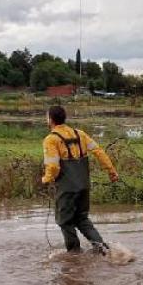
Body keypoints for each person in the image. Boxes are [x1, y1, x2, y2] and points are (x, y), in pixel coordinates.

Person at [42, 105, 119, 255]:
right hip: (84, 185)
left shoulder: (51, 140)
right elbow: (99, 152)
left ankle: (74, 256)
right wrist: (111, 171)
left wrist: (46, 179)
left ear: (50, 120)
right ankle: (103, 249)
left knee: (65, 221)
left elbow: (53, 166)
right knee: (82, 219)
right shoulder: (80, 134)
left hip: (67, 189)